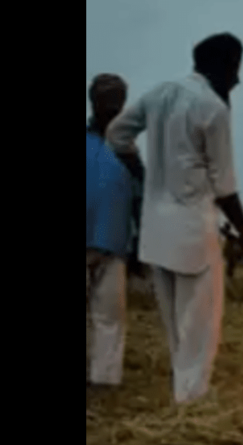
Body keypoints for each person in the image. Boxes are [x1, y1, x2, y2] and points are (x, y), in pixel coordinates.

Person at [106, 32, 243, 404]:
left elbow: (116, 133)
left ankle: (184, 399)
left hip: (155, 233)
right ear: (222, 66)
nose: (238, 80)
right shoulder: (213, 108)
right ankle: (190, 409)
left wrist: (141, 170)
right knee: (199, 330)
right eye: (235, 70)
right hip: (193, 234)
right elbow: (225, 186)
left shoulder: (159, 93)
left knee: (177, 330)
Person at [87, 73, 136, 390]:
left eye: (119, 99)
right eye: (108, 99)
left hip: (115, 245)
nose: (114, 106)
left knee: (110, 315)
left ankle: (104, 380)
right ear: (93, 101)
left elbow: (144, 196)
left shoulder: (129, 153)